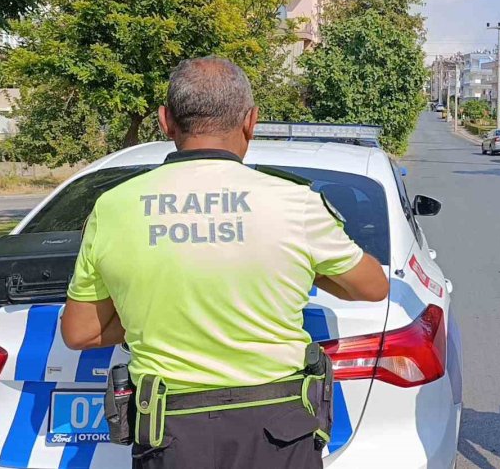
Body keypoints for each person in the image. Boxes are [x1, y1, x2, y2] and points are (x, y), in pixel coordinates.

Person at [59, 56, 389, 469]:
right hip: (279, 430)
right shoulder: (294, 203)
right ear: (251, 120)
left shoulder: (113, 207)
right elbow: (374, 288)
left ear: (165, 121)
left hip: (170, 435)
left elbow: (79, 332)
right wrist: (300, 271)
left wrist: (157, 310)